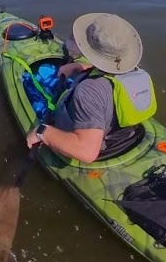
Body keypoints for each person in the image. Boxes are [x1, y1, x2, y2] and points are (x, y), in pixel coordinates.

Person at [25, 13, 158, 164]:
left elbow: (87, 152)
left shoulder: (88, 92)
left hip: (95, 147)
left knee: (37, 82)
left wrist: (43, 132)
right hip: (124, 136)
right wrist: (80, 66)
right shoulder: (138, 72)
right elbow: (111, 74)